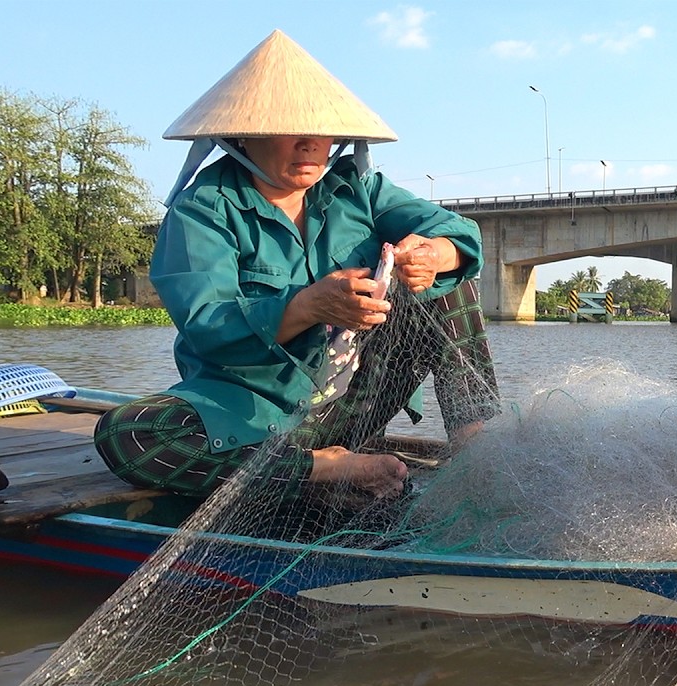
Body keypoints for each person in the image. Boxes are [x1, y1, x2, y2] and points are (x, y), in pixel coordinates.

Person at [94, 29, 500, 502]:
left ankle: (476, 443)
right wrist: (307, 307)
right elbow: (208, 326)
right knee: (128, 435)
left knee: (445, 281)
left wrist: (436, 256)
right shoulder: (202, 209)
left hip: (357, 399)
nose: (311, 144)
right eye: (293, 130)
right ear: (247, 135)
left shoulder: (360, 189)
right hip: (254, 408)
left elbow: (460, 236)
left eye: (321, 132)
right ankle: (321, 469)